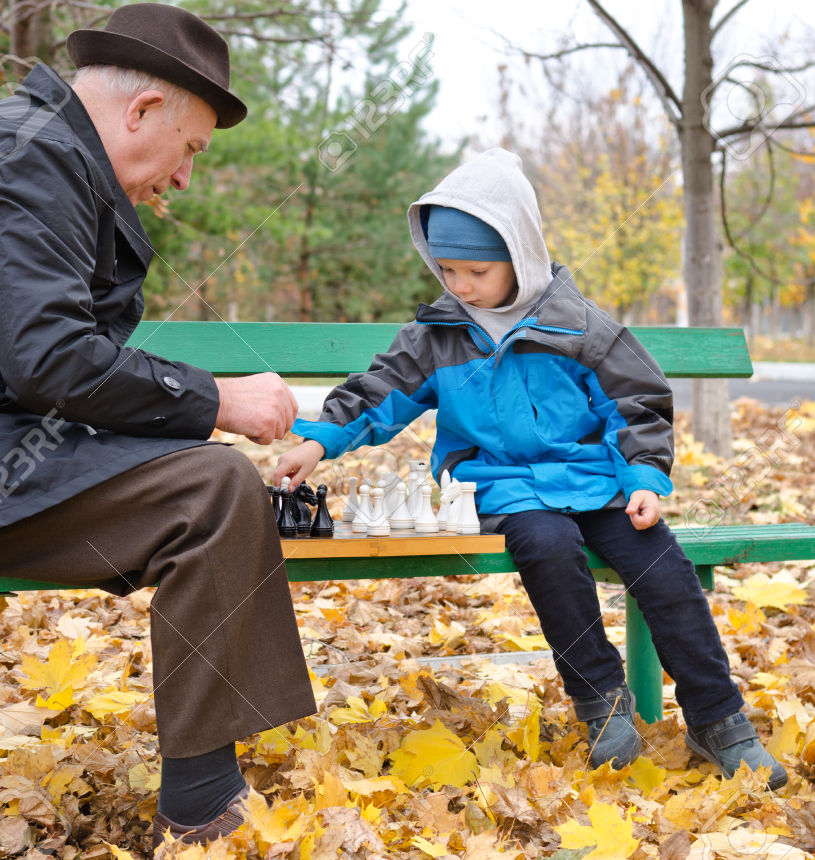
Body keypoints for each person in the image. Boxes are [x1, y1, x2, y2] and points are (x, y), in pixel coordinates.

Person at [0, 3, 316, 847]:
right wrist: (218, 400)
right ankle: (204, 807)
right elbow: (51, 361)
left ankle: (208, 780)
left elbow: (47, 371)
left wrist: (183, 421)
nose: (186, 178)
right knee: (214, 486)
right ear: (143, 111)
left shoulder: (45, 151)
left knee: (202, 474)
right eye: (191, 149)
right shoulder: (34, 156)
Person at [274, 148, 788, 790]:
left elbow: (637, 403)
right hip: (500, 486)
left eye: (476, 271)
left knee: (661, 565)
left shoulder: (581, 327)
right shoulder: (438, 334)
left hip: (598, 484)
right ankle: (601, 702)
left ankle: (721, 721)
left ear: (520, 255)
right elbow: (380, 392)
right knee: (547, 548)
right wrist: (319, 441)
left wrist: (644, 480)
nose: (459, 285)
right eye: (446, 269)